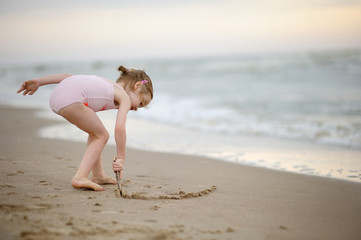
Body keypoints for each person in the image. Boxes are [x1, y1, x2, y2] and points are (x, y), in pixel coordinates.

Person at [17, 66, 153, 191]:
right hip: (72, 100)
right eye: (141, 103)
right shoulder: (124, 97)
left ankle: (98, 175)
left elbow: (68, 77)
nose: (136, 109)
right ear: (137, 86)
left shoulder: (106, 83)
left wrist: (39, 81)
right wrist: (121, 158)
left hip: (57, 98)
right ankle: (80, 177)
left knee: (95, 133)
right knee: (102, 136)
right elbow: (119, 129)